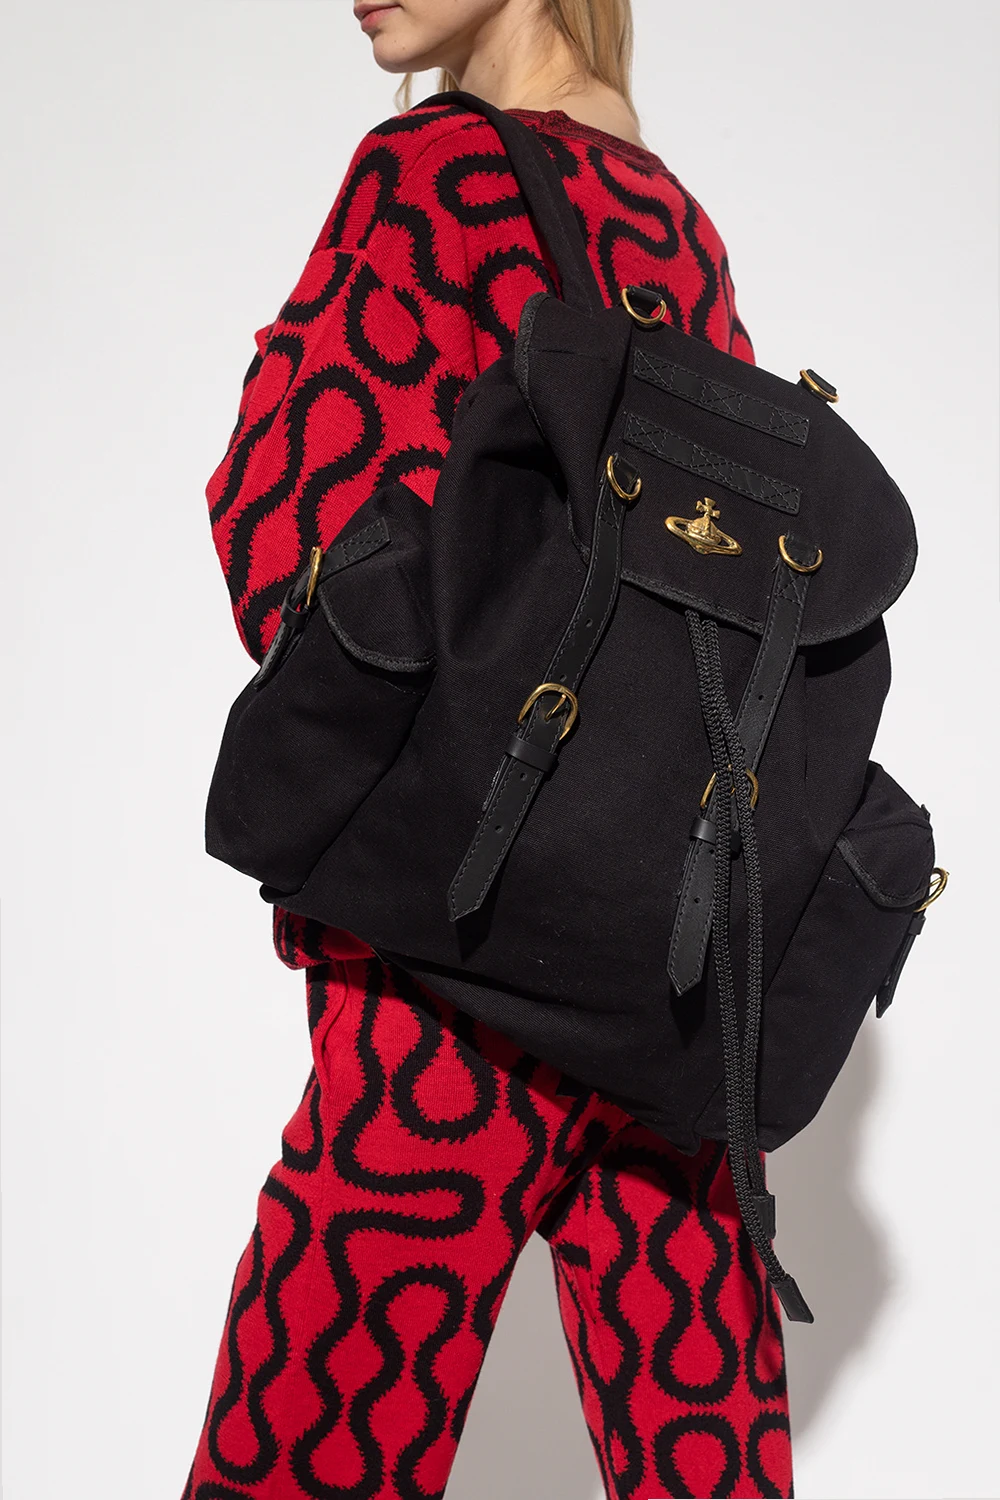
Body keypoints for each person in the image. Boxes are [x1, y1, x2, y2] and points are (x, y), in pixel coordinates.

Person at [184, 3, 791, 1497]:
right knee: (702, 1444)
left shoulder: (430, 175)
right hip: (669, 963)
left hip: (456, 953)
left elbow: (294, 509)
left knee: (317, 1428)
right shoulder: (681, 227)